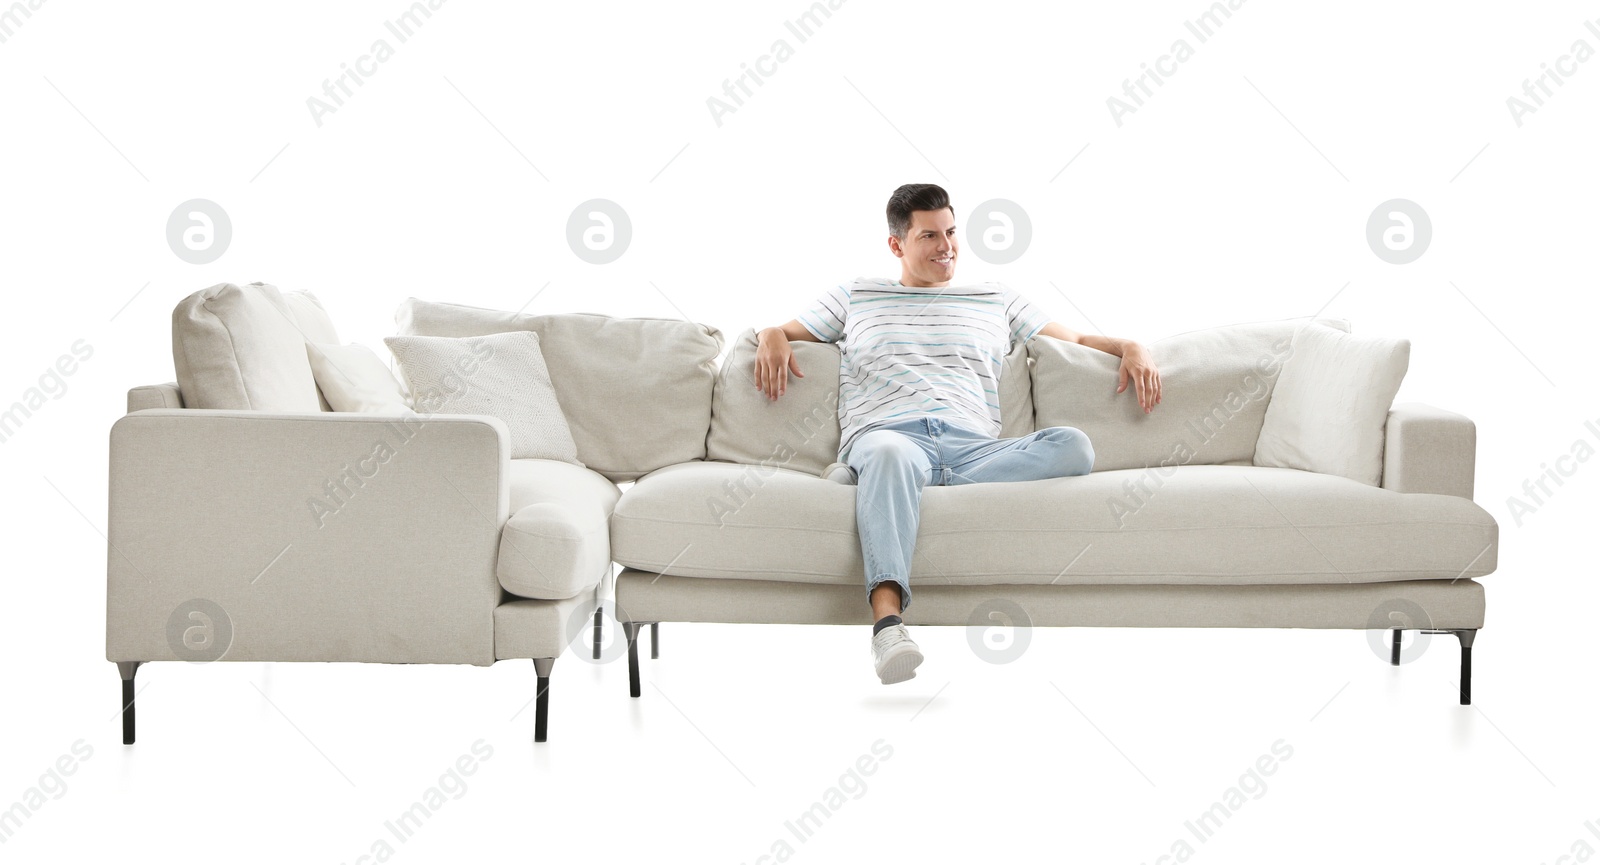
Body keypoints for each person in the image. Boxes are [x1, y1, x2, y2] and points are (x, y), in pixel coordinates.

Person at [754, 183, 1162, 684]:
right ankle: (888, 627)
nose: (946, 246)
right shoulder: (857, 294)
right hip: (888, 434)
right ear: (896, 245)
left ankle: (885, 488)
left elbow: (1075, 340)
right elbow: (787, 329)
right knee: (888, 455)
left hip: (973, 449)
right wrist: (771, 335)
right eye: (930, 235)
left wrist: (1131, 345)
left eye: (951, 232)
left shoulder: (995, 298)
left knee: (1073, 446)